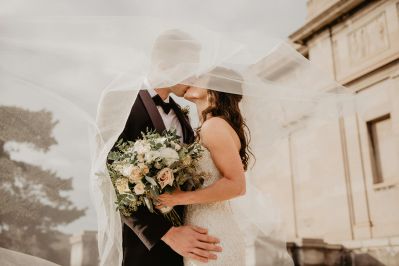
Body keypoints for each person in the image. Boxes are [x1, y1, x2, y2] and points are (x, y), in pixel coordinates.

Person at [157, 68, 250, 265]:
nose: (190, 77)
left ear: (215, 88)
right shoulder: (206, 127)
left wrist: (180, 198)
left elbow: (237, 184)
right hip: (201, 230)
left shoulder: (214, 126)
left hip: (213, 234)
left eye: (199, 76)